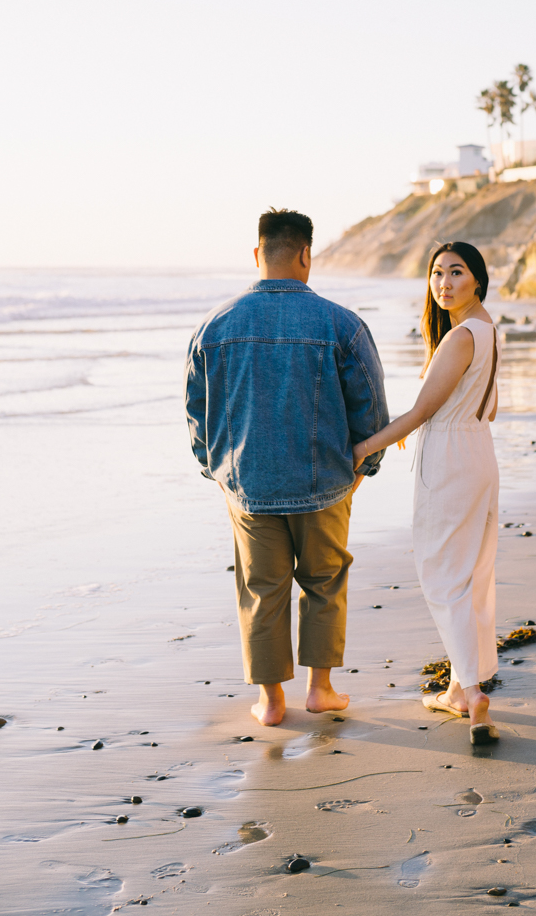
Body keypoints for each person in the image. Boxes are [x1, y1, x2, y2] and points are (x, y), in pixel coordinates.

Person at [185, 208, 389, 727]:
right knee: (324, 580)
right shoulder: (340, 323)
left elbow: (196, 409)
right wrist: (365, 468)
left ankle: (272, 701)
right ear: (305, 255)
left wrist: (218, 470)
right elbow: (370, 405)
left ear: (257, 254)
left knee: (261, 587)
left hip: (248, 486)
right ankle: (320, 690)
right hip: (325, 482)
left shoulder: (215, 326)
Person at [353, 241, 501, 746]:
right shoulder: (487, 330)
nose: (444, 283)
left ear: (477, 279)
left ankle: (474, 691)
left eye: (456, 273)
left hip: (452, 458)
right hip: (479, 452)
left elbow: (418, 413)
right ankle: (461, 687)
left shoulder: (460, 337)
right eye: (437, 273)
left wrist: (364, 448)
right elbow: (492, 408)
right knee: (472, 573)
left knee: (444, 578)